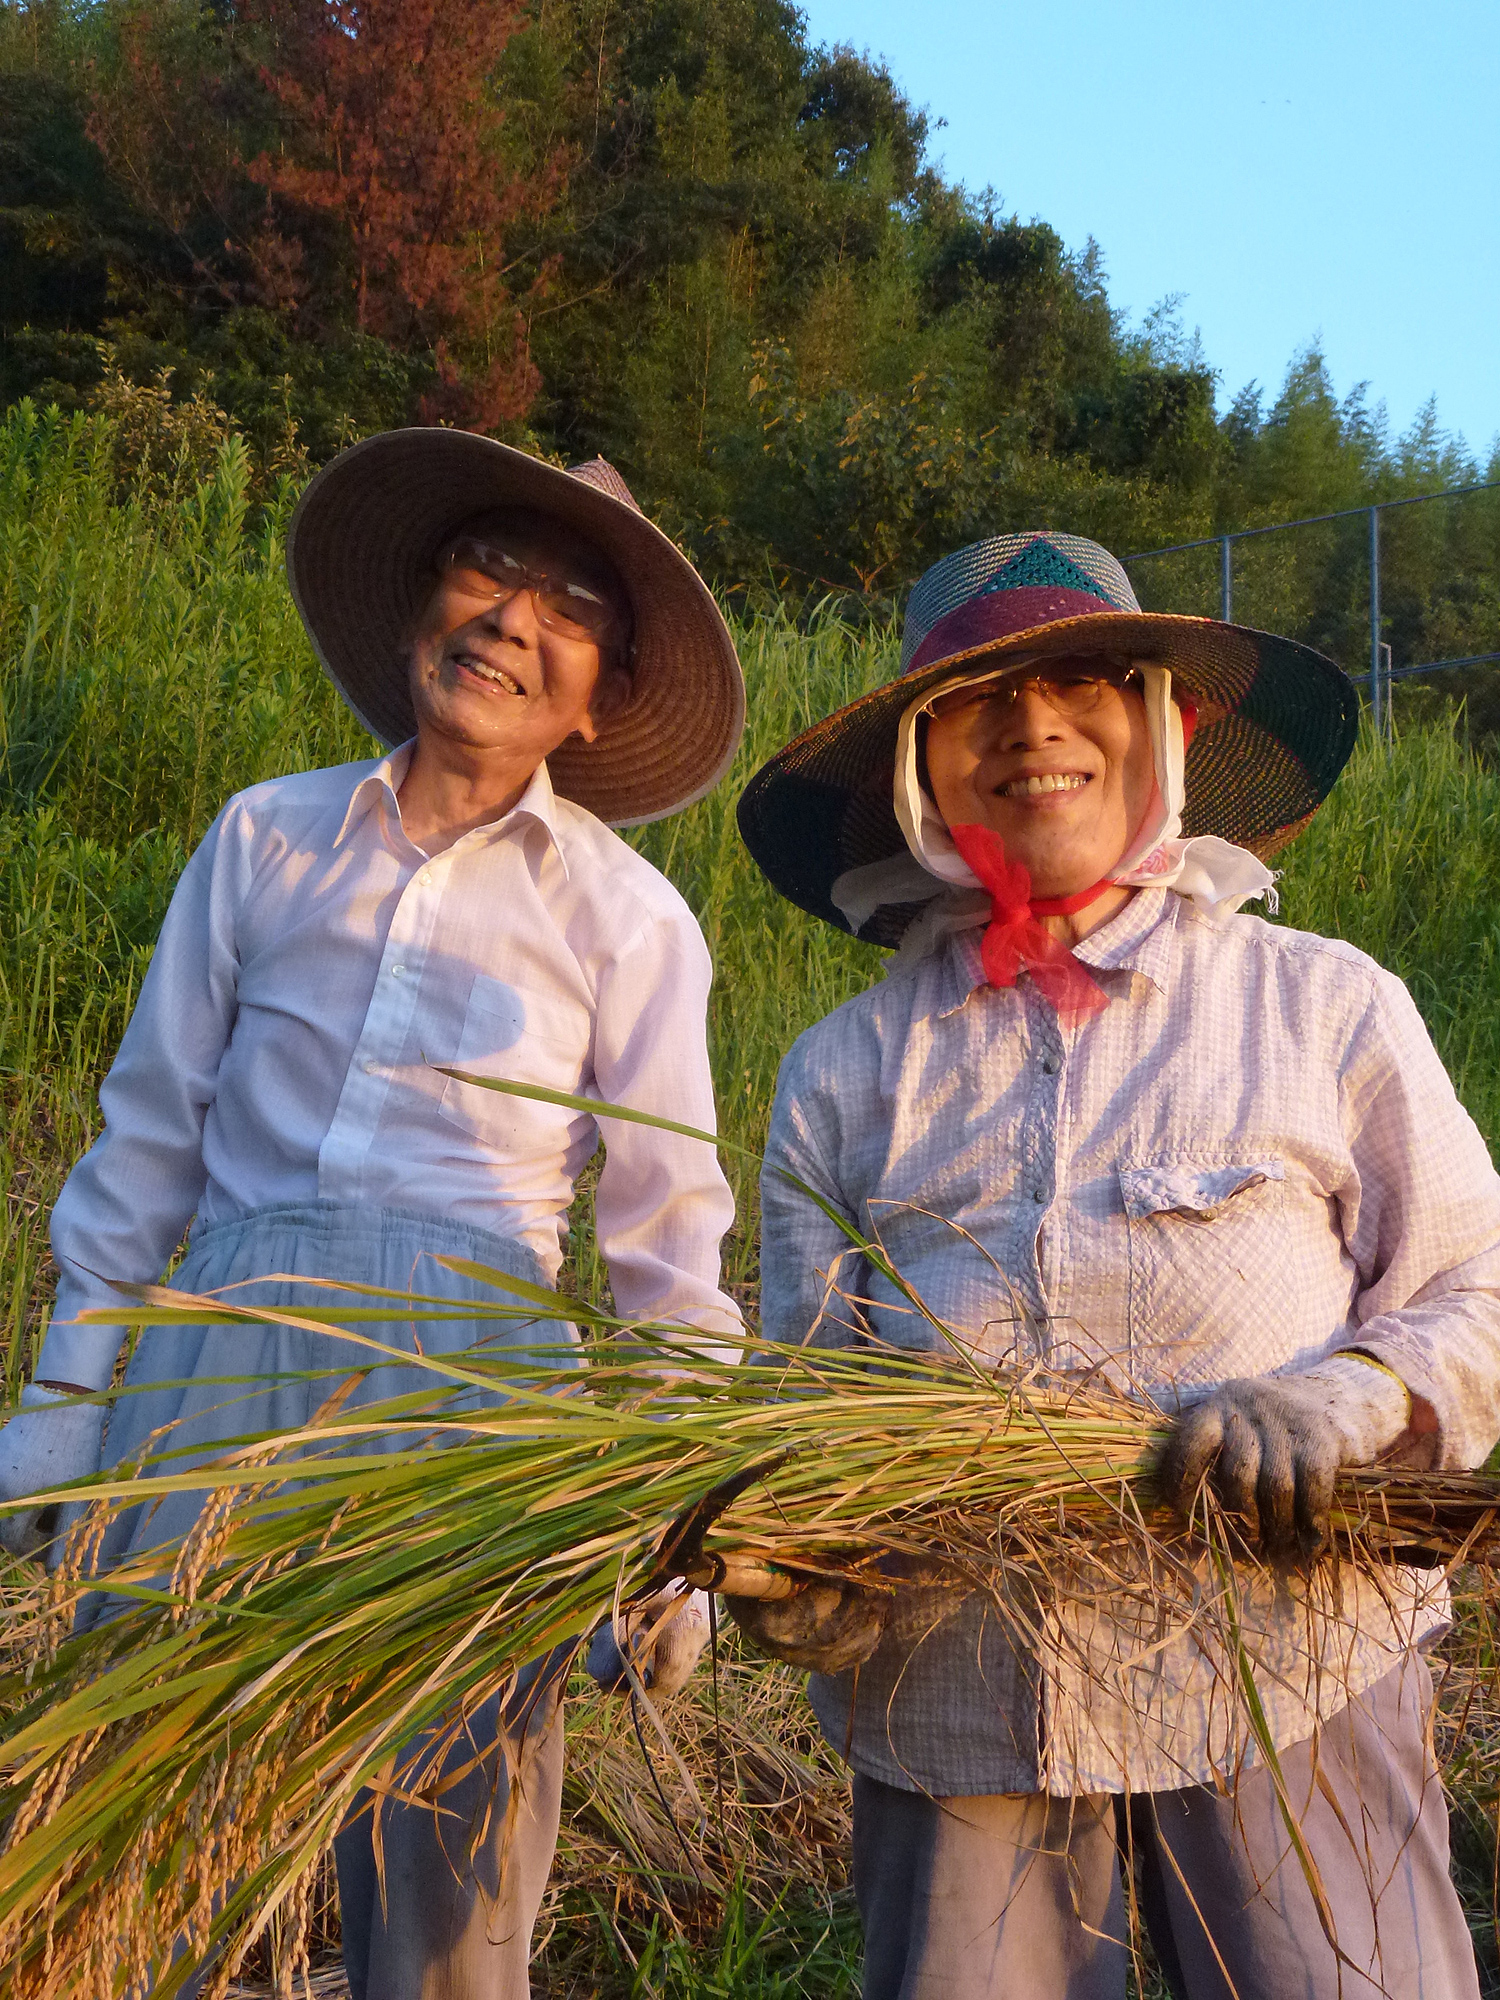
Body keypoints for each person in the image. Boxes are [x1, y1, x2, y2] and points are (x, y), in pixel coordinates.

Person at [0, 428, 746, 1998]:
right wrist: (67, 1403)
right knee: (137, 1820)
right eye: (488, 571)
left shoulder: (628, 917)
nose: (509, 621)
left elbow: (671, 1245)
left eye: (567, 608)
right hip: (220, 1360)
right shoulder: (266, 836)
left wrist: (678, 1528)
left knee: (454, 1855)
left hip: (473, 1392)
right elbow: (145, 1147)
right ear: (420, 605)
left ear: (598, 694)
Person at [733, 528, 1500, 1999]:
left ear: (1164, 726)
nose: (1033, 724)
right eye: (975, 702)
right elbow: (806, 1396)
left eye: (1084, 679)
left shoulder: (1323, 1006)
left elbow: (1477, 1287)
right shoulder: (842, 1075)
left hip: (1289, 1664)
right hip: (955, 1699)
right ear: (918, 764)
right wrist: (811, 1566)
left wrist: (1350, 1402)